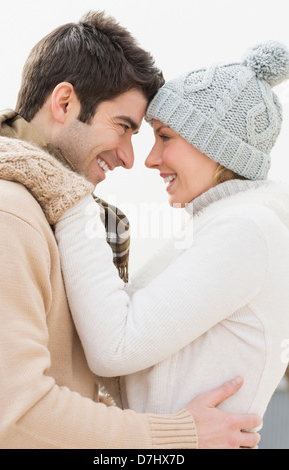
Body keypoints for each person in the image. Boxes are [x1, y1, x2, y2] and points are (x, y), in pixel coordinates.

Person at [0, 10, 261, 450]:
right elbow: (13, 417)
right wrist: (177, 437)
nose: (131, 158)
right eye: (124, 128)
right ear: (64, 103)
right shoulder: (6, 215)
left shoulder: (52, 217)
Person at [41, 41, 289, 422]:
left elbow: (115, 348)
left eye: (165, 137)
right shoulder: (221, 226)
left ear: (216, 147)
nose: (152, 159)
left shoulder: (248, 230)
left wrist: (72, 198)